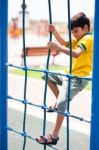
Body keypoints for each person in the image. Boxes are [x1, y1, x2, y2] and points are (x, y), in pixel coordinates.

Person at [36, 12, 93, 145]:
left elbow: (77, 54)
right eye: (72, 32)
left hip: (79, 78)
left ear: (86, 28)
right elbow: (64, 42)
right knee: (47, 75)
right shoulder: (78, 38)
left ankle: (54, 135)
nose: (74, 34)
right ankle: (59, 102)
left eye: (76, 31)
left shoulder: (88, 39)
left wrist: (57, 48)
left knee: (62, 103)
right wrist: (55, 32)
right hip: (69, 75)